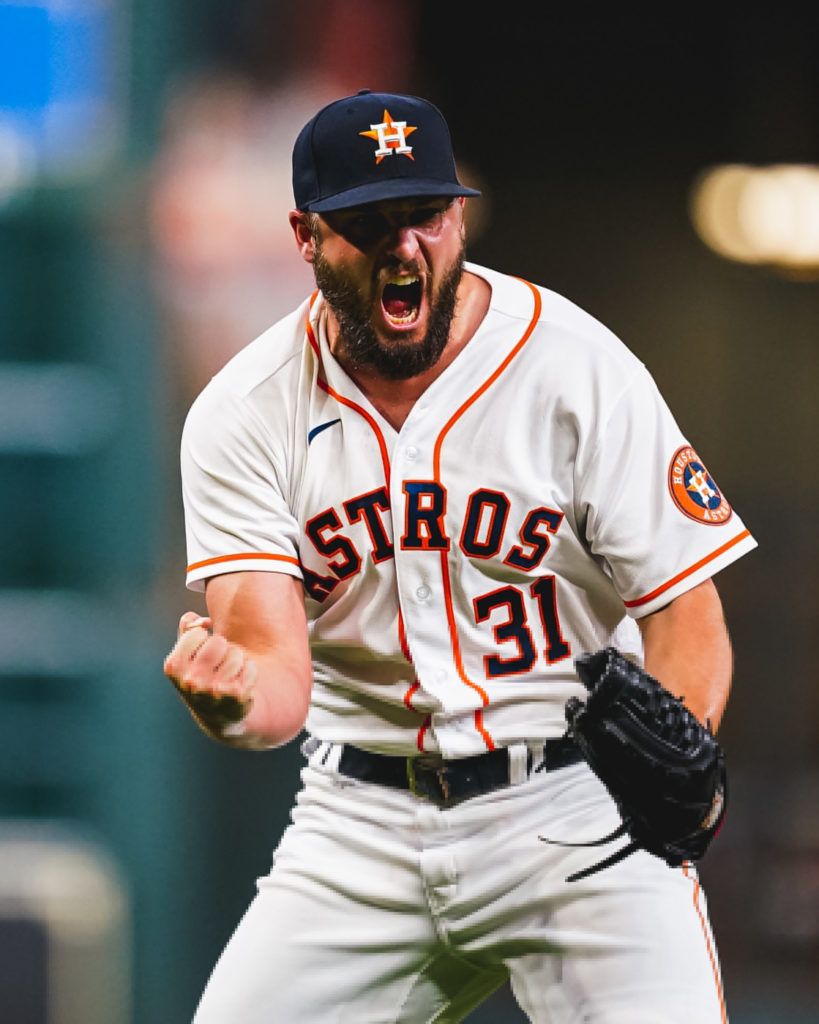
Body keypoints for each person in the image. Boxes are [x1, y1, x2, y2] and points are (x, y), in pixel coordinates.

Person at [163, 88, 756, 1023]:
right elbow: (274, 679)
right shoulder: (244, 412)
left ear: (459, 218)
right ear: (306, 236)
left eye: (426, 215)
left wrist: (678, 750)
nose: (405, 247)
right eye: (369, 223)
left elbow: (686, 610)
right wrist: (231, 702)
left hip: (572, 803)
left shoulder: (573, 365)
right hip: (360, 823)